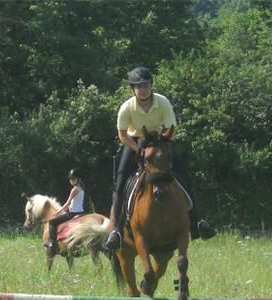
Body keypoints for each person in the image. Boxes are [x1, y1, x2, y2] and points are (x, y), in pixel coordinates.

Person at [104, 66, 216, 250]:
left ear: (151, 86)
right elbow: (122, 135)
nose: (143, 89)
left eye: (146, 85)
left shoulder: (163, 102)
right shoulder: (126, 107)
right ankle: (116, 231)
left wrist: (159, 144)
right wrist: (138, 150)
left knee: (184, 176)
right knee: (120, 182)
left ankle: (197, 222)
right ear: (133, 89)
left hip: (159, 141)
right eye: (139, 86)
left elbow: (171, 129)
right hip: (134, 143)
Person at [45, 168, 86, 250]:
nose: (71, 180)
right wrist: (64, 210)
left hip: (72, 213)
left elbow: (68, 203)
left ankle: (52, 243)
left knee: (52, 222)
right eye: (70, 179)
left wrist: (59, 211)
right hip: (81, 212)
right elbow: (71, 204)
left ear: (78, 179)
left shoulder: (74, 189)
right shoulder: (82, 189)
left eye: (73, 178)